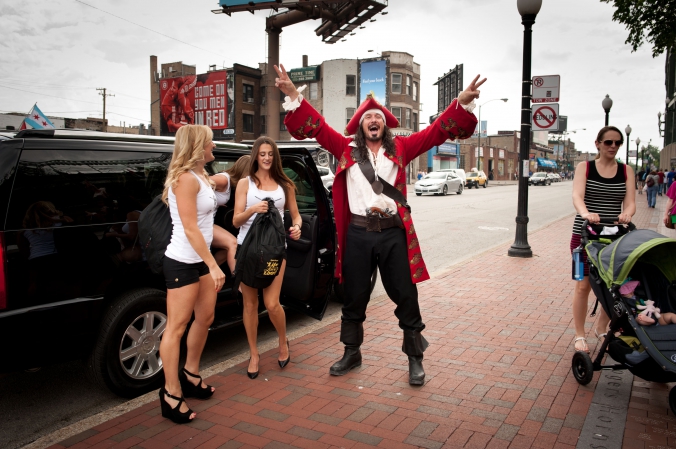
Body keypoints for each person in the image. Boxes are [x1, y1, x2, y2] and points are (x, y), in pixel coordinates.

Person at [274, 63, 482, 385]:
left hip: (391, 233)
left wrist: (462, 103)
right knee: (354, 296)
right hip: (358, 233)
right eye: (369, 118)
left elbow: (435, 132)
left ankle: (415, 358)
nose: (374, 121)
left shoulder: (402, 147)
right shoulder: (344, 148)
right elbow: (317, 127)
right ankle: (351, 352)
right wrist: (292, 95)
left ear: (385, 127)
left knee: (405, 295)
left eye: (379, 119)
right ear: (360, 125)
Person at [158, 124, 225, 424]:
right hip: (183, 262)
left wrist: (235, 177)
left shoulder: (201, 176)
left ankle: (190, 373)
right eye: (210, 142)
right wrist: (213, 265)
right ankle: (171, 393)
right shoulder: (185, 179)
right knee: (176, 327)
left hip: (199, 260)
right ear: (197, 147)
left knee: (206, 317)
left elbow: (215, 197)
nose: (214, 146)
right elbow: (189, 227)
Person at [233, 136, 302, 379]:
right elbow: (235, 220)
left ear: (275, 157)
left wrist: (297, 227)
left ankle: (283, 342)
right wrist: (252, 209)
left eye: (270, 154)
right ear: (256, 156)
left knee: (272, 304)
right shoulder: (245, 184)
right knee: (250, 305)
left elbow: (295, 216)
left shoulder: (285, 184)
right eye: (262, 154)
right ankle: (254, 354)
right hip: (248, 250)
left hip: (275, 250)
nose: (266, 158)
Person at [571, 126, 635, 353]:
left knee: (613, 286)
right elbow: (577, 196)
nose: (613, 147)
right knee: (583, 286)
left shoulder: (627, 170)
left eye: (618, 143)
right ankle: (579, 335)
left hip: (615, 236)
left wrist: (627, 213)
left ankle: (601, 327)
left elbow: (630, 202)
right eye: (608, 142)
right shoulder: (585, 167)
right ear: (597, 143)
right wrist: (586, 213)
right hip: (585, 235)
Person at [210, 155, 251, 274]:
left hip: (208, 222)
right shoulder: (224, 179)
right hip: (201, 223)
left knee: (231, 247)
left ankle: (208, 274)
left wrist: (214, 202)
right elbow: (197, 181)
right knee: (234, 243)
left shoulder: (231, 183)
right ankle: (238, 284)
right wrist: (210, 201)